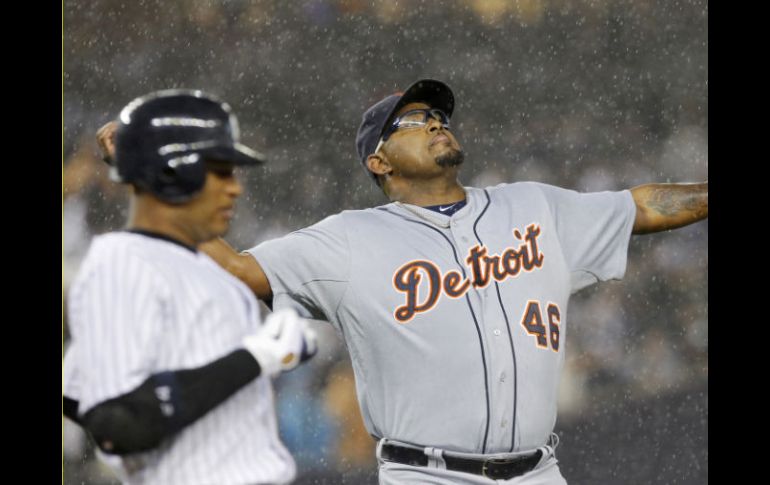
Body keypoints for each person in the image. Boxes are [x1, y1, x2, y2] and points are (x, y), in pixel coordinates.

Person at [98, 78, 708, 484]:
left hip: (538, 473)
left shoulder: (533, 206)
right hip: (427, 475)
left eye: (437, 116)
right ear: (379, 161)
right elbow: (233, 271)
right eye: (413, 121)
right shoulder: (349, 240)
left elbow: (642, 206)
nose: (435, 122)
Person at [64, 89, 317, 485]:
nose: (235, 188)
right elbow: (117, 425)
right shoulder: (121, 263)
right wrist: (254, 357)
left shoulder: (200, 268)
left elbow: (82, 396)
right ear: (172, 173)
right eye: (221, 172)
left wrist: (137, 169)